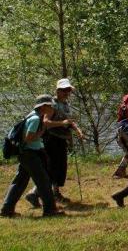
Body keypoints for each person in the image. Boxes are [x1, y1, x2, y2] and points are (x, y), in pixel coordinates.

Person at [1, 95, 64, 218]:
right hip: (30, 154)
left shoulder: (33, 115)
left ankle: (6, 210)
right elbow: (28, 138)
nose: (52, 108)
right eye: (50, 106)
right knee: (43, 181)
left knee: (19, 182)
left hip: (25, 153)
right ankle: (50, 210)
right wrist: (42, 131)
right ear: (43, 106)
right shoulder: (35, 119)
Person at [25, 78, 84, 208]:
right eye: (64, 90)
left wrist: (77, 131)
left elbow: (68, 121)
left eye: (68, 90)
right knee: (52, 168)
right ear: (58, 90)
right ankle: (35, 193)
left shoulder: (65, 104)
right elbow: (46, 122)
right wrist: (62, 124)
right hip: (51, 140)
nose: (67, 92)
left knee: (59, 168)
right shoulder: (51, 104)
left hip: (60, 139)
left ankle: (54, 193)